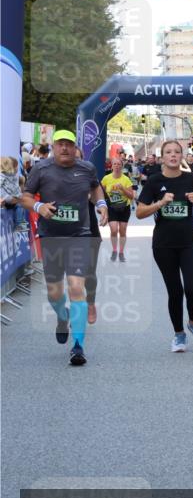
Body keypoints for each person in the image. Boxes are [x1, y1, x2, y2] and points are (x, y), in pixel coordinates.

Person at [21, 130, 106, 365]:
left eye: (69, 144)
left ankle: (78, 346)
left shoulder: (87, 167)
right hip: (51, 237)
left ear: (74, 147)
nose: (65, 148)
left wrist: (100, 203)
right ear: (54, 146)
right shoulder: (41, 169)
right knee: (54, 293)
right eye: (60, 144)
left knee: (76, 287)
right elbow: (25, 196)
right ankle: (62, 317)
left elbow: (95, 186)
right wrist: (39, 207)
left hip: (80, 236)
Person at [136, 139, 193, 353]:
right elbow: (140, 212)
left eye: (177, 152)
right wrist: (159, 203)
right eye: (169, 152)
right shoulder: (154, 181)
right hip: (164, 244)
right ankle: (179, 335)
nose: (173, 155)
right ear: (162, 157)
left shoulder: (191, 179)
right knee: (175, 292)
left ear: (182, 155)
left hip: (189, 242)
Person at [100, 157, 134, 262]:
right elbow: (101, 193)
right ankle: (114, 250)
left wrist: (122, 189)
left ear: (122, 166)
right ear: (111, 166)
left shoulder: (126, 179)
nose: (116, 166)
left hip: (124, 207)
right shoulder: (106, 179)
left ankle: (121, 252)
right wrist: (102, 207)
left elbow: (131, 196)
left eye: (119, 164)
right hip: (112, 207)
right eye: (114, 164)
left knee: (122, 230)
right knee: (114, 230)